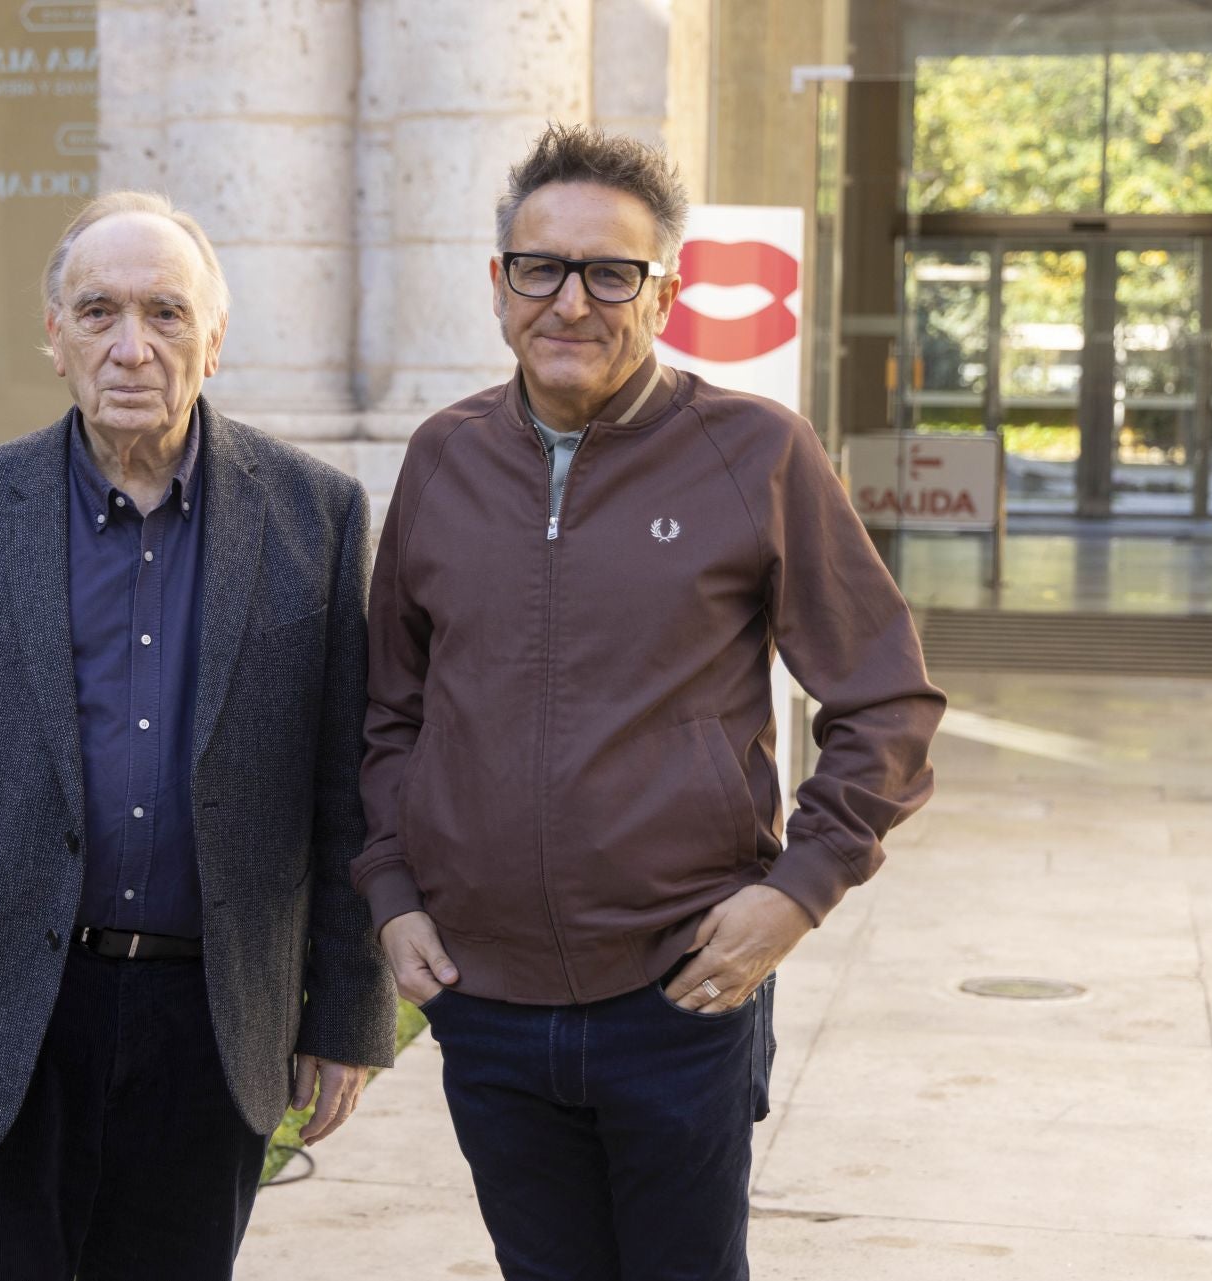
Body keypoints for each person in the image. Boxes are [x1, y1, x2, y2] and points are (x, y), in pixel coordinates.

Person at [354, 124, 945, 1281]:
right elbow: (391, 710)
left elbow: (888, 701)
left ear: (664, 294)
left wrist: (798, 893)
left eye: (611, 272)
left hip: (680, 996)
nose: (571, 301)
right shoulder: (442, 458)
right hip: (485, 1000)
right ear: (498, 285)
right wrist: (389, 890)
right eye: (542, 267)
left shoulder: (756, 452)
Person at [0, 190, 396, 1280]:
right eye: (98, 312)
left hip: (210, 1015)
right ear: (54, 338)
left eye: (167, 314)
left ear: (214, 340)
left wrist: (349, 1013)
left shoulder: (315, 521)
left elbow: (349, 788)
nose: (132, 347)